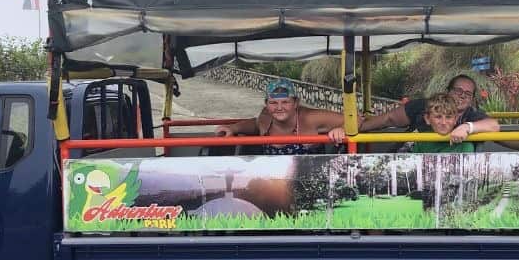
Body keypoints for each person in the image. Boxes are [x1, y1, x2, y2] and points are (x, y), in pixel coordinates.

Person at [359, 74, 501, 145]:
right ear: (448, 91)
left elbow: (493, 125)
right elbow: (389, 118)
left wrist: (467, 127)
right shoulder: (423, 105)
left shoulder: (472, 115)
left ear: (472, 99)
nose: (462, 96)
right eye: (458, 91)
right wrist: (359, 128)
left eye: (468, 94)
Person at [215, 78, 346, 154]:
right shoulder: (265, 117)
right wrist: (233, 129)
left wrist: (343, 129)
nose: (279, 108)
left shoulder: (310, 117)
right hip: (273, 187)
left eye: (285, 102)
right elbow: (255, 124)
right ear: (266, 104)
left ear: (296, 103)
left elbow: (360, 120)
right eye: (273, 103)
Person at [408, 93, 478, 153]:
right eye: (438, 117)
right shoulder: (422, 140)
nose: (443, 122)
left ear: (455, 119)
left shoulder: (465, 145)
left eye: (448, 117)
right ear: (427, 119)